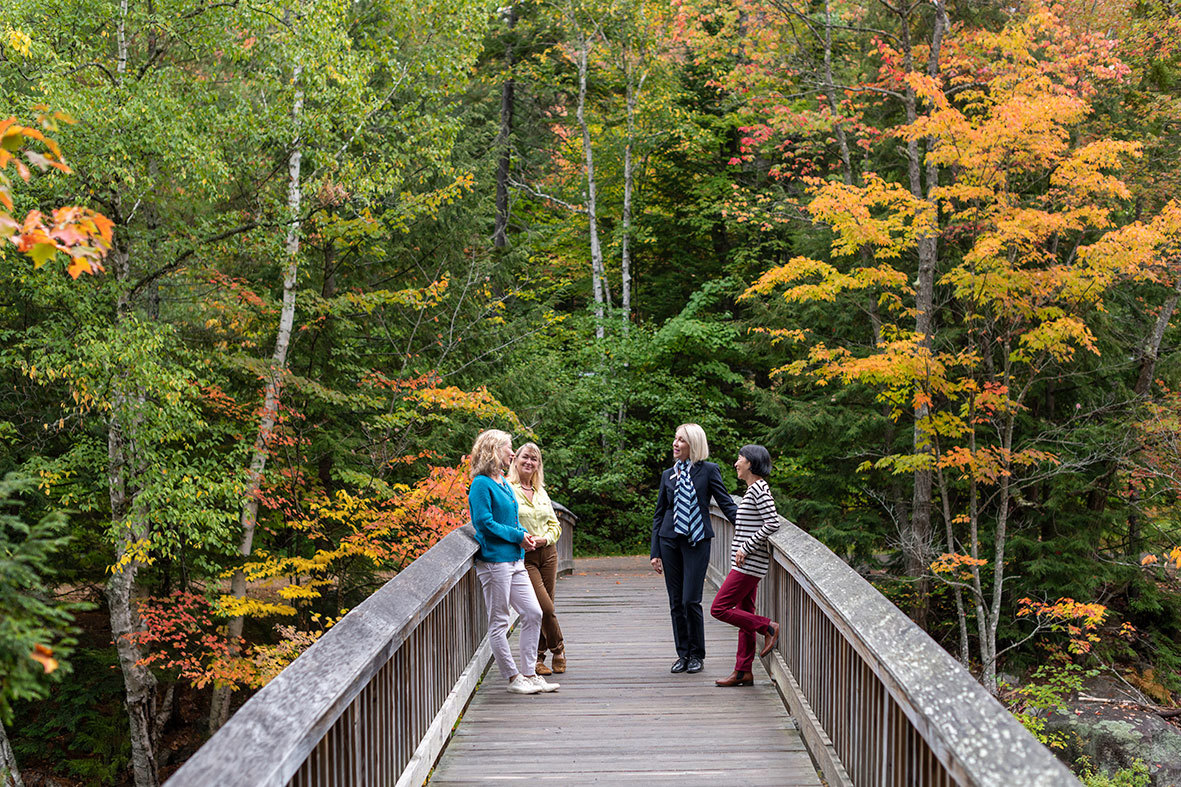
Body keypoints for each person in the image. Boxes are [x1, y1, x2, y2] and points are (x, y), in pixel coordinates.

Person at [467, 429, 559, 695]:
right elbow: (483, 522)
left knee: (533, 613)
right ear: (494, 450)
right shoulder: (481, 484)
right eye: (509, 448)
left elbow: (512, 519)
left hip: (516, 560)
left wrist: (524, 537)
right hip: (495, 562)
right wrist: (517, 536)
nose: (512, 452)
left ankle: (530, 673)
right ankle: (513, 677)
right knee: (499, 622)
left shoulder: (503, 483)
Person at [650, 423, 739, 674]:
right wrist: (654, 551)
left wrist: (746, 526)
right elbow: (659, 514)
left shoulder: (708, 471)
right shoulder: (669, 474)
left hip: (697, 540)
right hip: (669, 540)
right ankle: (683, 654)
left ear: (694, 445)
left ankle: (697, 654)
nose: (675, 444)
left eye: (681, 440)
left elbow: (726, 504)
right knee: (676, 601)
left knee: (691, 599)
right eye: (675, 439)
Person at [710, 444, 782, 687]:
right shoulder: (753, 490)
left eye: (739, 458)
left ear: (750, 463)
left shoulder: (760, 490)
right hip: (746, 563)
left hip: (749, 564)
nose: (736, 463)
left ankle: (767, 627)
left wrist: (746, 547)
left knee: (718, 608)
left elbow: (772, 522)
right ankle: (743, 671)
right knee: (744, 615)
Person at [507, 442, 566, 676]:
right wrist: (527, 538)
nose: (529, 462)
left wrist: (546, 539)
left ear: (538, 464)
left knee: (546, 606)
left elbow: (556, 524)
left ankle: (539, 658)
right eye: (525, 457)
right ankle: (559, 648)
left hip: (548, 554)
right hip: (526, 555)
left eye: (534, 459)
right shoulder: (508, 489)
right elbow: (508, 521)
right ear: (516, 460)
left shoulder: (540, 491)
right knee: (543, 607)